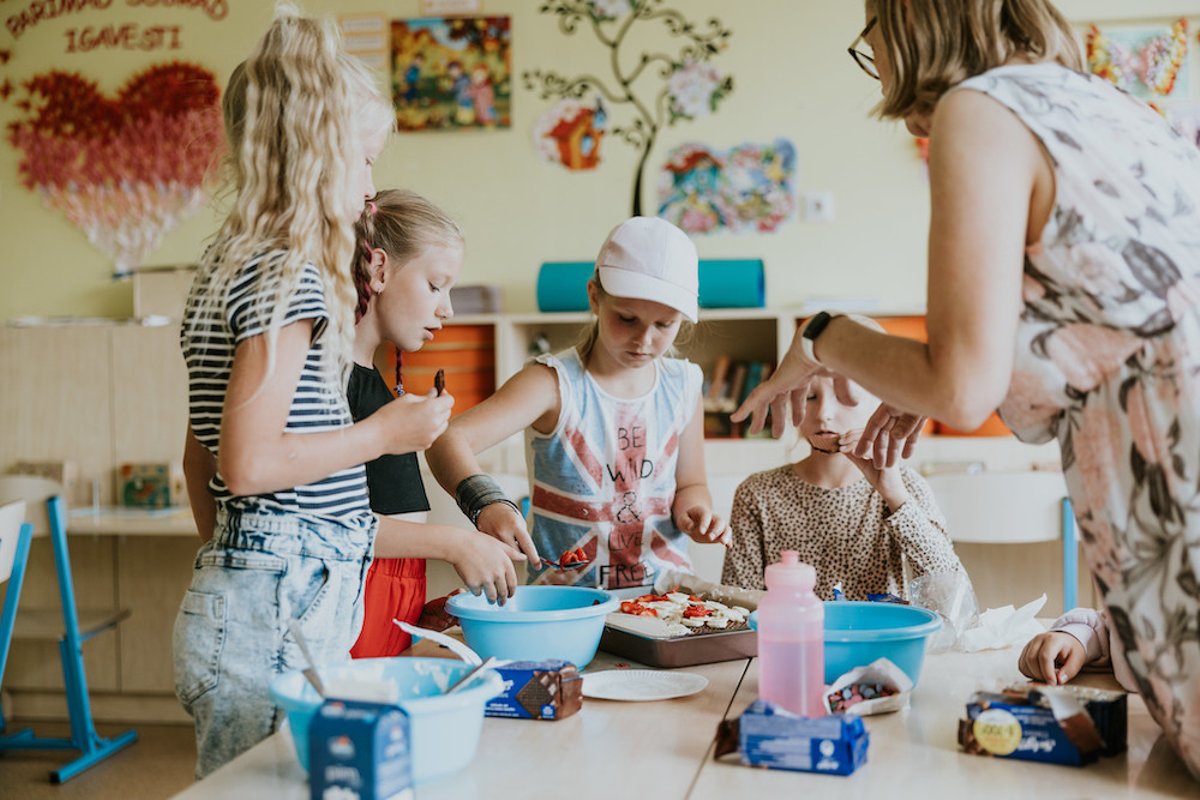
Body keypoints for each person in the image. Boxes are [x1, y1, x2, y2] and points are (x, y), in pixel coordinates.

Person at [733, 0, 1200, 777]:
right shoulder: (1113, 108)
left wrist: (822, 334)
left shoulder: (978, 110)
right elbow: (1098, 338)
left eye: (870, 33)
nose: (873, 56)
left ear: (914, 20)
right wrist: (912, 371)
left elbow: (960, 387)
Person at [174, 7, 446, 778]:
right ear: (315, 158)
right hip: (276, 611)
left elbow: (203, 467)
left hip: (260, 596)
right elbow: (252, 464)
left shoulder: (227, 266)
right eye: (364, 163)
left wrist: (238, 561)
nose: (370, 191)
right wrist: (386, 434)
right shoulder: (286, 277)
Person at [427, 216, 730, 591]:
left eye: (664, 325)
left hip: (665, 602)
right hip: (566, 605)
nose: (644, 339)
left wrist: (695, 514)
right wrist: (487, 503)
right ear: (594, 296)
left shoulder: (684, 384)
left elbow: (691, 484)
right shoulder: (552, 383)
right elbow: (447, 439)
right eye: (628, 318)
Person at [348, 189, 524, 656]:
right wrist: (455, 545)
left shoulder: (371, 381)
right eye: (435, 286)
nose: (447, 309)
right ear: (379, 270)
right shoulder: (332, 384)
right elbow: (334, 523)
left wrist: (414, 607)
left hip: (384, 609)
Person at [722, 325, 963, 598]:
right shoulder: (757, 494)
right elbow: (739, 606)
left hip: (881, 639)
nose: (824, 413)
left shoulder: (906, 486)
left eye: (844, 397)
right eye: (811, 397)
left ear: (881, 404)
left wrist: (895, 496)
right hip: (791, 640)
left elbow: (950, 590)